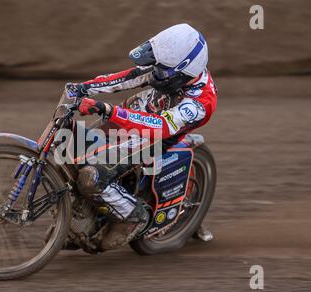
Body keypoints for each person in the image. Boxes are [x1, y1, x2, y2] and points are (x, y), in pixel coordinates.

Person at [66, 23, 217, 250]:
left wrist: (109, 110)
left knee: (92, 178)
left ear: (183, 71)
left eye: (162, 69)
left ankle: (132, 216)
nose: (156, 72)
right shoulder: (170, 68)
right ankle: (84, 215)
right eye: (156, 65)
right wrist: (83, 88)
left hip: (154, 138)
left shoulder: (200, 103)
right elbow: (126, 78)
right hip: (134, 117)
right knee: (74, 148)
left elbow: (160, 126)